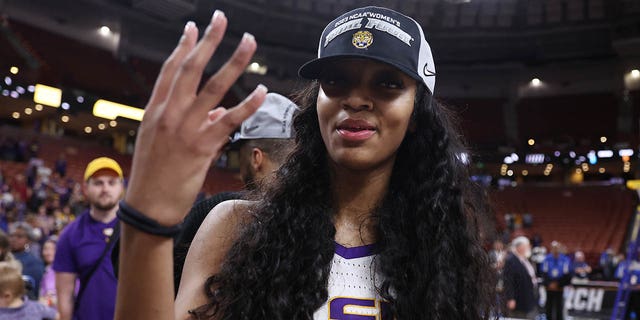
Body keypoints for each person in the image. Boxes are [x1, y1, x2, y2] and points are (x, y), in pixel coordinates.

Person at [115, 6, 495, 320]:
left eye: (387, 83)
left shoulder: (444, 254)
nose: (356, 99)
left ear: (416, 115)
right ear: (317, 104)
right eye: (336, 81)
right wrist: (147, 223)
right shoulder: (234, 227)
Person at [171, 92, 298, 290]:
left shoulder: (219, 211)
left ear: (256, 158)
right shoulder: (324, 216)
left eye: (240, 154)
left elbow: (142, 278)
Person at [53, 157, 124, 320]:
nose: (105, 189)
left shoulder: (136, 230)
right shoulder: (71, 234)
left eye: (111, 182)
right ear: (85, 188)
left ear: (121, 187)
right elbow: (65, 296)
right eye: (98, 183)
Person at [503, 236, 539, 319]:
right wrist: (510, 298)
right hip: (519, 298)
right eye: (527, 246)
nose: (529, 248)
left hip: (529, 297)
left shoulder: (525, 259)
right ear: (520, 247)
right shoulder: (511, 260)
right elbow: (508, 281)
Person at [9, 222, 44, 300]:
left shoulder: (34, 262)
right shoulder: (4, 257)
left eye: (19, 236)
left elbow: (34, 290)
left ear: (29, 240)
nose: (14, 239)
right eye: (11, 236)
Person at [542, 241, 571, 320]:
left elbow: (567, 275)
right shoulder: (546, 259)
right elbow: (544, 274)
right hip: (549, 288)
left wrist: (558, 284)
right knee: (548, 307)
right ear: (551, 249)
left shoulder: (565, 260)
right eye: (553, 248)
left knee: (559, 307)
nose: (555, 250)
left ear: (559, 249)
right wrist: (549, 284)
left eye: (557, 248)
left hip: (560, 288)